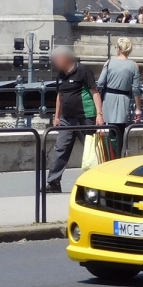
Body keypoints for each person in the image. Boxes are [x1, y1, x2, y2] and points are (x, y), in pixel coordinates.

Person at [46, 46, 105, 193]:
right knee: (61, 148)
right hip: (67, 119)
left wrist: (99, 114)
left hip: (85, 117)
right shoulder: (60, 75)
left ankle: (98, 182)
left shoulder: (83, 71)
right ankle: (53, 182)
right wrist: (57, 116)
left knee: (91, 151)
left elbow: (95, 93)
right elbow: (60, 96)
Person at [99, 37, 143, 150]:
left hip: (108, 98)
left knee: (108, 129)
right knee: (119, 131)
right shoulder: (133, 66)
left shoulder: (109, 62)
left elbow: (100, 83)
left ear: (118, 48)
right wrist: (138, 108)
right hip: (123, 99)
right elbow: (136, 89)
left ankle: (109, 155)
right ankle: (117, 155)